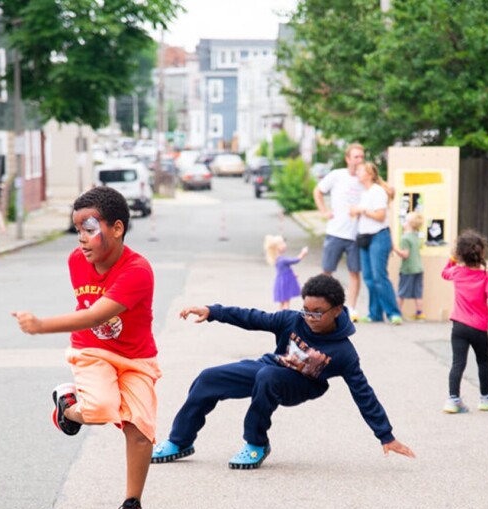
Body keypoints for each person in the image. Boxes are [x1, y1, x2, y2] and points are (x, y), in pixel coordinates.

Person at [11, 186, 161, 509]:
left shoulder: (138, 271)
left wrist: (40, 325)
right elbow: (90, 321)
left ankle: (131, 506)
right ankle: (68, 408)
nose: (81, 239)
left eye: (90, 229)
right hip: (91, 352)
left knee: (141, 431)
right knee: (102, 409)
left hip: (137, 357)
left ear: (118, 228)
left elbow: (96, 315)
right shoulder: (77, 261)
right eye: (77, 229)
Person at [150, 274, 416, 469]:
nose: (310, 318)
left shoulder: (344, 353)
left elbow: (363, 393)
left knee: (267, 378)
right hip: (272, 366)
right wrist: (212, 311)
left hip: (302, 385)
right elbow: (252, 317)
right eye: (306, 310)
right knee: (209, 377)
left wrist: (386, 435)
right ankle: (180, 441)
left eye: (318, 313)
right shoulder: (292, 320)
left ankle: (256, 443)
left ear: (337, 311)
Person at [440, 229, 488, 414]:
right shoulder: (487, 278)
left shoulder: (456, 272)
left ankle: (453, 399)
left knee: (458, 363)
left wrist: (452, 259)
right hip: (479, 329)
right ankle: (485, 398)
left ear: (460, 254)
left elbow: (444, 273)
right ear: (482, 253)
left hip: (459, 327)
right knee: (483, 362)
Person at [314, 143, 366, 321]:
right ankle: (320, 306)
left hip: (356, 234)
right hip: (336, 231)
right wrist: (323, 211)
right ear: (348, 159)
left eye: (361, 156)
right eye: (356, 157)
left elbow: (379, 188)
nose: (359, 160)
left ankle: (350, 308)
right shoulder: (337, 175)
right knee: (327, 272)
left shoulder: (364, 178)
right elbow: (318, 191)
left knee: (354, 273)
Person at [350, 162, 403, 324]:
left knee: (379, 276)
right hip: (364, 238)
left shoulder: (377, 191)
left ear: (370, 175)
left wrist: (361, 211)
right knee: (368, 277)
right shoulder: (365, 193)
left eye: (361, 170)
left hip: (379, 237)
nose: (357, 172)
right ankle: (375, 313)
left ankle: (393, 313)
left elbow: (380, 216)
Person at [264, 234, 309, 309]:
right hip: (285, 282)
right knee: (286, 302)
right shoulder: (282, 259)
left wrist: (292, 274)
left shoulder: (277, 258)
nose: (285, 245)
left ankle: (279, 318)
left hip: (281, 281)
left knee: (282, 302)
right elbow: (295, 260)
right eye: (282, 243)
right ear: (278, 247)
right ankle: (285, 317)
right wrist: (303, 253)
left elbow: (284, 269)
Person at [394, 211, 425, 320]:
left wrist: (394, 248)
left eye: (406, 220)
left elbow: (405, 254)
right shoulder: (416, 237)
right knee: (418, 293)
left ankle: (397, 312)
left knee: (401, 292)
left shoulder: (405, 238)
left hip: (408, 269)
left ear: (409, 224)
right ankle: (419, 313)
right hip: (419, 268)